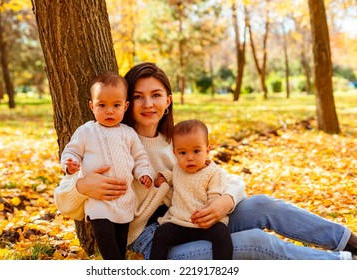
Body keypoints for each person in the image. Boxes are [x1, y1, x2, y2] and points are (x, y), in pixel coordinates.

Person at [54, 62, 357, 260]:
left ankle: (349, 243)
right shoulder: (111, 142)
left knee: (264, 204)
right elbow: (63, 202)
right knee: (256, 242)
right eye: (139, 97)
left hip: (195, 217)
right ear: (127, 103)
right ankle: (342, 266)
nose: (149, 104)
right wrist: (82, 185)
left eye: (156, 95)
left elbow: (223, 175)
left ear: (168, 100)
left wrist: (225, 200)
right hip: (155, 240)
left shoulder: (180, 141)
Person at [60, 72, 153, 260]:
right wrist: (70, 164)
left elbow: (140, 157)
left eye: (116, 105)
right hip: (98, 201)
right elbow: (72, 151)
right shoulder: (86, 131)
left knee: (120, 238)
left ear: (125, 106)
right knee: (104, 234)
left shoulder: (128, 133)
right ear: (91, 106)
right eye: (102, 105)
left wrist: (144, 173)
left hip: (124, 198)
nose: (109, 111)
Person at [150, 119, 233, 260]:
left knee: (222, 233)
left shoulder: (213, 173)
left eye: (196, 151)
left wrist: (210, 211)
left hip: (206, 224)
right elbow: (170, 176)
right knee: (162, 233)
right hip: (179, 223)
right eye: (183, 153)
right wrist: (161, 179)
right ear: (175, 153)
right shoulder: (178, 168)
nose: (190, 158)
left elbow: (215, 198)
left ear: (207, 150)